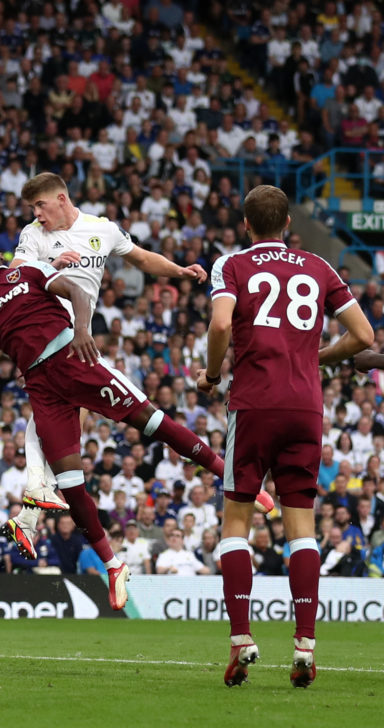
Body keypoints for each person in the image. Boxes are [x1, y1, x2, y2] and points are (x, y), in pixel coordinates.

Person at [0, 237, 226, 613]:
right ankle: (113, 564)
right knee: (71, 485)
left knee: (152, 422)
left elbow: (76, 289)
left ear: (0, 253)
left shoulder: (27, 270)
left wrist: (83, 329)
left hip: (73, 357)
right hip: (41, 386)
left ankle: (222, 471)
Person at [197, 185, 372, 689]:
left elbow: (221, 323)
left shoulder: (232, 265)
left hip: (253, 404)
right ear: (289, 223)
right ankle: (305, 647)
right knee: (303, 527)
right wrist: (314, 358)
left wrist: (212, 374)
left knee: (236, 520)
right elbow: (363, 336)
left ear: (246, 224)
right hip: (305, 408)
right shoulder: (318, 266)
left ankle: (242, 641)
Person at [8, 172, 207, 530]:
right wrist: (50, 268)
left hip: (72, 341)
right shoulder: (33, 235)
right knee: (118, 412)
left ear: (62, 199)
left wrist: (180, 270)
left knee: (66, 416)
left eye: (40, 205)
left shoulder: (103, 229)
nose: (36, 213)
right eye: (32, 207)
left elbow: (143, 259)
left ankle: (35, 504)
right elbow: (13, 279)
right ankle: (40, 492)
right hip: (45, 336)